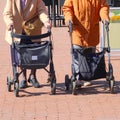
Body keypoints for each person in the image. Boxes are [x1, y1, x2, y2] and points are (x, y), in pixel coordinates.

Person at [3, 0, 51, 88]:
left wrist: (46, 21)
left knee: (34, 53)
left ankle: (33, 76)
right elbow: (7, 12)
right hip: (17, 29)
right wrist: (9, 23)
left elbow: (42, 10)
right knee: (22, 54)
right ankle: (23, 78)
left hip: (32, 28)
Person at [62, 0, 110, 86]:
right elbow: (67, 8)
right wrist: (68, 19)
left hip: (92, 30)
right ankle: (78, 78)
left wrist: (104, 17)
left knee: (90, 54)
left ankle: (88, 76)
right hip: (78, 30)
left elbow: (103, 7)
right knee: (77, 53)